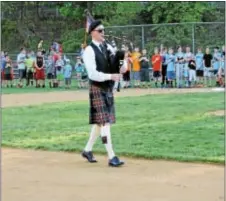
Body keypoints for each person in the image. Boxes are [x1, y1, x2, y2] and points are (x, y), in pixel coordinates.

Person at [82, 20, 127, 167]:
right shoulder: (89, 51)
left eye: (103, 30)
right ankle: (111, 156)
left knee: (99, 123)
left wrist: (122, 62)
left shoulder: (108, 47)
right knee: (105, 122)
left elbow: (121, 66)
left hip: (107, 88)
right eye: (100, 31)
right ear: (93, 32)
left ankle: (87, 150)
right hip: (97, 88)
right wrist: (110, 76)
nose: (103, 33)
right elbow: (92, 74)